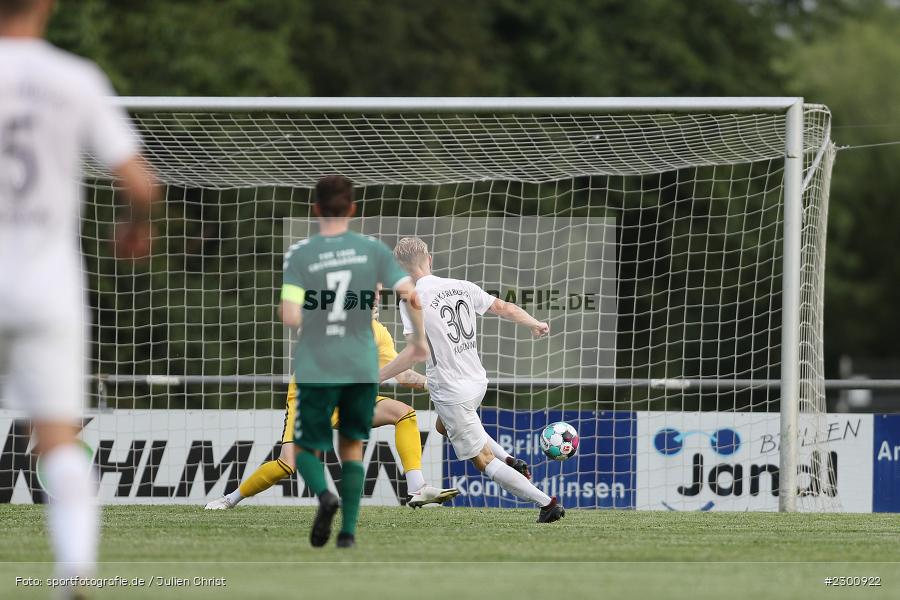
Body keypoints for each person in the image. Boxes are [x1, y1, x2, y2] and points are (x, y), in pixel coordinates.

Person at [0, 0, 157, 589]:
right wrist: (137, 226)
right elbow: (143, 183)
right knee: (58, 436)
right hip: (48, 285)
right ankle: (75, 568)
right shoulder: (76, 78)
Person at [279, 175, 427, 548]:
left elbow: (289, 315)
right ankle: (347, 533)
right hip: (360, 362)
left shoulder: (302, 253)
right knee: (352, 447)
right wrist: (419, 341)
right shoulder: (372, 251)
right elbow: (411, 295)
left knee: (305, 447)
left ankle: (325, 497)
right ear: (352, 209)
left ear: (316, 210)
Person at [380, 237, 565, 523]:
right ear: (429, 259)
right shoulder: (461, 286)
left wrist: (376, 377)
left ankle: (547, 503)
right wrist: (535, 323)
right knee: (444, 426)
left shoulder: (413, 298)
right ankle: (510, 460)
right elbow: (505, 308)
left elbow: (416, 351)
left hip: (451, 389)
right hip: (477, 380)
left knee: (482, 460)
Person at [205, 302, 459, 510]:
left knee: (404, 414)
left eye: (378, 293)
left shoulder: (378, 332)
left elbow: (403, 377)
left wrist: (433, 383)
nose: (376, 299)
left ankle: (417, 489)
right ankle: (230, 499)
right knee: (287, 464)